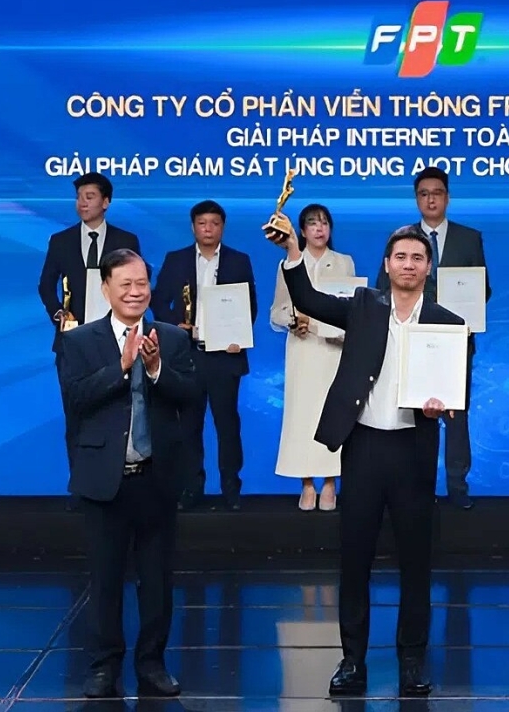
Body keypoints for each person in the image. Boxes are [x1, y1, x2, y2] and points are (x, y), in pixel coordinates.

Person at [265, 222, 465, 697]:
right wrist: (292, 250)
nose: (409, 265)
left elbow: (458, 391)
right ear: (387, 264)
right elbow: (308, 300)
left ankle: (412, 662)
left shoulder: (448, 322)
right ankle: (352, 660)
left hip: (413, 449)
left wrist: (444, 406)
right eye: (401, 257)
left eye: (418, 258)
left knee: (416, 562)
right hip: (365, 448)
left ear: (429, 267)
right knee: (355, 560)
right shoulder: (362, 306)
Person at [58, 249, 198, 698]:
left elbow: (191, 395)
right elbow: (75, 400)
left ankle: (152, 664)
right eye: (126, 285)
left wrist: (155, 369)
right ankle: (104, 666)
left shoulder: (172, 338)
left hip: (156, 478)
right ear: (106, 290)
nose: (136, 292)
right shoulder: (80, 341)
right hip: (104, 480)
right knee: (105, 580)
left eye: (142, 284)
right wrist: (120, 366)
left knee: (156, 581)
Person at [376, 167, 488, 509]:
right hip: (409, 339)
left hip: (455, 339)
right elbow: (383, 288)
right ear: (416, 199)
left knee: (455, 414)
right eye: (424, 194)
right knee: (410, 411)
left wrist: (465, 308)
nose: (431, 199)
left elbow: (482, 289)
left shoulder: (469, 238)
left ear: (447, 197)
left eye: (437, 193)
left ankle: (457, 486)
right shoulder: (402, 238)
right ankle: (413, 485)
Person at [36, 172, 140, 497]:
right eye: (79, 197)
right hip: (73, 343)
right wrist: (59, 313)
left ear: (106, 202)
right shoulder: (61, 240)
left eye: (90, 196)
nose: (82, 203)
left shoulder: (126, 241)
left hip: (116, 343)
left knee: (117, 417)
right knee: (76, 416)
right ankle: (80, 487)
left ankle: (116, 487)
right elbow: (46, 285)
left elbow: (137, 284)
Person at [150, 200, 257, 511]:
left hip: (225, 356)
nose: (208, 229)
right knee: (188, 426)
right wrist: (176, 325)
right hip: (188, 355)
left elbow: (249, 306)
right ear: (193, 226)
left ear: (222, 227)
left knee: (228, 425)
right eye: (202, 223)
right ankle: (191, 487)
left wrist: (239, 337)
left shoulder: (239, 260)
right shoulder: (176, 259)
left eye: (214, 223)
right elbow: (158, 301)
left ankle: (231, 488)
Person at [269, 204, 356, 511]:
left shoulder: (344, 262)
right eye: (312, 223)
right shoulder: (289, 263)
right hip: (303, 349)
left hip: (334, 349)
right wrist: (291, 320)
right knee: (302, 416)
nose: (319, 229)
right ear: (302, 231)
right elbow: (277, 311)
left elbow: (351, 307)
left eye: (324, 223)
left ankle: (331, 482)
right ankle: (306, 483)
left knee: (333, 413)